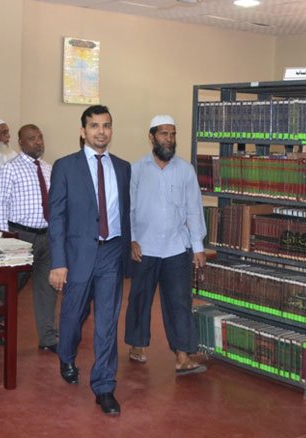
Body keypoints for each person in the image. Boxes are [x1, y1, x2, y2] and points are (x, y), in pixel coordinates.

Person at [48, 104, 131, 417]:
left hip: (111, 252)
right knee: (72, 315)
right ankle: (66, 354)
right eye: (94, 126)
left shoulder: (123, 168)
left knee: (107, 322)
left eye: (106, 125)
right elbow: (56, 217)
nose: (101, 131)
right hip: (77, 254)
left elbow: (126, 213)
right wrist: (58, 262)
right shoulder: (65, 166)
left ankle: (104, 387)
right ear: (83, 131)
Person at [124, 115, 208, 375]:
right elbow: (128, 208)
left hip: (176, 247)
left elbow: (194, 209)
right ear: (152, 137)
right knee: (140, 299)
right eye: (163, 134)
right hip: (144, 247)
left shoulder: (185, 170)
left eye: (172, 134)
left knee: (179, 302)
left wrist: (198, 246)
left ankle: (183, 355)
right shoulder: (137, 170)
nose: (169, 139)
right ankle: (137, 345)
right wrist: (131, 239)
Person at [0, 124, 58, 352]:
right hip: (20, 237)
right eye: (32, 138)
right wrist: (5, 241)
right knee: (9, 286)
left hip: (47, 236)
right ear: (21, 143)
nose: (38, 142)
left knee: (47, 288)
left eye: (40, 137)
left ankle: (48, 337)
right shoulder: (10, 168)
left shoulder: (49, 169)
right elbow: (0, 205)